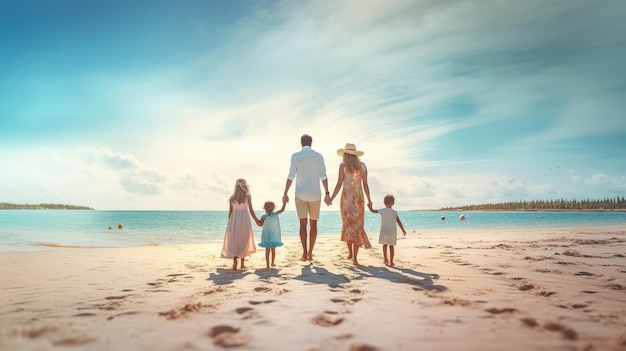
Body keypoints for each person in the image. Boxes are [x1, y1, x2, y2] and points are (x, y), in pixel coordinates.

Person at [282, 134, 331, 261]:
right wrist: (327, 193)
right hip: (315, 194)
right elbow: (323, 176)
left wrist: (285, 192)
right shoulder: (319, 156)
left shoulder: (295, 156)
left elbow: (291, 175)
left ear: (301, 143)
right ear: (311, 142)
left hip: (300, 194)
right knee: (313, 224)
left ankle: (304, 253)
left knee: (302, 224)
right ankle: (310, 253)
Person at [329, 143, 372, 265]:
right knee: (357, 227)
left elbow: (339, 184)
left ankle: (351, 253)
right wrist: (369, 200)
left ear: (345, 155)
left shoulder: (343, 166)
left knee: (348, 225)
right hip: (359, 200)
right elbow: (365, 185)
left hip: (346, 201)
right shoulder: (362, 166)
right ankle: (355, 258)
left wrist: (331, 198)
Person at [221, 178, 257, 270]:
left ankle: (234, 262)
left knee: (235, 240)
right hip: (244, 220)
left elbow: (230, 213)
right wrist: (257, 220)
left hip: (234, 221)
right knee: (243, 240)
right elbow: (251, 210)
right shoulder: (247, 196)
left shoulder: (232, 198)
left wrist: (230, 225)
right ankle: (242, 263)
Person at [368, 195, 407, 267]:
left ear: (384, 203)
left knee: (385, 245)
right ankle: (391, 262)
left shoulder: (382, 210)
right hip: (392, 232)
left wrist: (369, 206)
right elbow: (398, 222)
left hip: (384, 231)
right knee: (391, 246)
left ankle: (385, 259)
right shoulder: (395, 212)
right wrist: (403, 230)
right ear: (393, 203)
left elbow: (372, 211)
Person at [251, 200, 287, 269]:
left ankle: (269, 264)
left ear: (264, 208)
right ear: (273, 208)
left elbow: (260, 224)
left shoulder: (266, 216)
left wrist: (255, 218)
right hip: (271, 235)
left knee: (268, 250)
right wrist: (284, 202)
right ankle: (271, 263)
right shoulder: (272, 215)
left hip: (268, 234)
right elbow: (282, 209)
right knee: (272, 249)